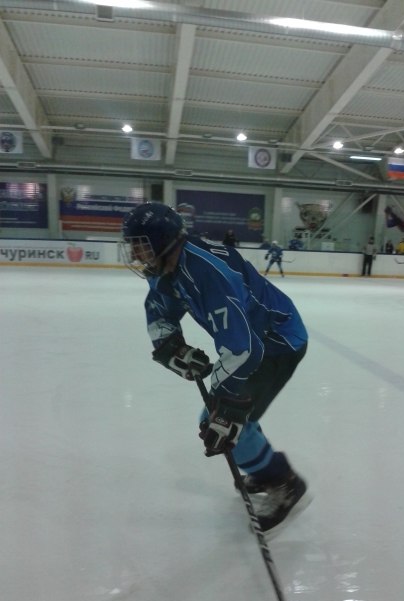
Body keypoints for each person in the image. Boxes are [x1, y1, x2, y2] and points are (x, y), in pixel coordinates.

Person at [120, 202, 311, 536]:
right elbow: (160, 310)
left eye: (141, 244)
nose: (135, 253)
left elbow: (243, 350)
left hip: (278, 342)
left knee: (222, 419)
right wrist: (171, 346)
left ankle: (283, 483)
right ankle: (263, 465)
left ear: (163, 240)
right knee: (234, 418)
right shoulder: (169, 266)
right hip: (256, 341)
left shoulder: (207, 273)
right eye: (132, 245)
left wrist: (226, 404)